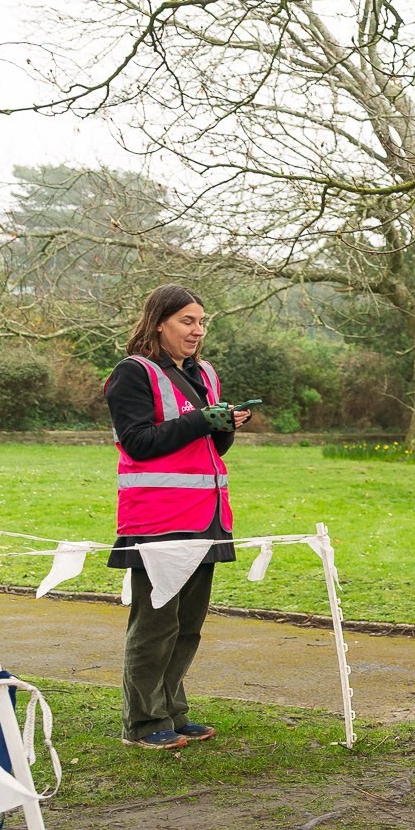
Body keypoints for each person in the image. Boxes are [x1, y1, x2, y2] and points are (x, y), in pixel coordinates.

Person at [106, 286, 254, 749]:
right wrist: (201, 420)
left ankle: (172, 711)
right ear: (158, 323)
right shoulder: (132, 374)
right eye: (187, 321)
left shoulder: (204, 373)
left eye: (202, 322)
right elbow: (138, 442)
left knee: (188, 626)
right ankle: (143, 723)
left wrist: (224, 425)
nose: (197, 331)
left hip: (206, 516)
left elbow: (208, 446)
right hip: (157, 521)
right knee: (155, 625)